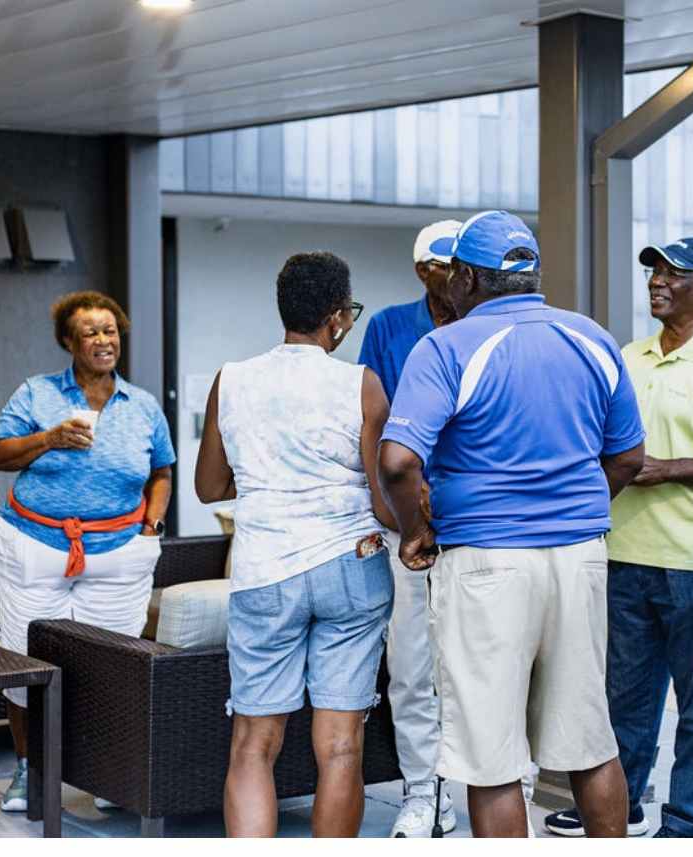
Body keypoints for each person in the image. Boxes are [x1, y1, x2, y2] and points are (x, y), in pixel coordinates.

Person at [377, 210, 646, 838]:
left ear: (467, 279)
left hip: (485, 562)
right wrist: (573, 509)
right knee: (591, 742)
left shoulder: (445, 346)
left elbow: (396, 461)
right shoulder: (591, 337)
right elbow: (629, 456)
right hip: (579, 556)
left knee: (491, 757)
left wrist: (415, 531)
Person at [544, 237, 693, 838]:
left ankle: (687, 820)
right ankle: (623, 804)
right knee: (625, 696)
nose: (657, 281)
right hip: (625, 551)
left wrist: (662, 469)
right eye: (654, 272)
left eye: (673, 273)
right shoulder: (627, 357)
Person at [195, 252, 396, 838]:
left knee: (253, 742)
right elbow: (384, 498)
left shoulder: (231, 380)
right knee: (341, 744)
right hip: (350, 565)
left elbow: (209, 487)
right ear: (337, 317)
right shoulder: (361, 384)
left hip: (265, 571)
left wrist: (266, 478)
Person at [0, 291, 174, 813]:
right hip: (35, 543)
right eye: (90, 332)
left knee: (113, 664)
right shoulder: (37, 393)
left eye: (110, 330)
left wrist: (152, 526)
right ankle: (29, 769)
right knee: (25, 658)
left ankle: (109, 774)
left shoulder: (143, 405)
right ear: (69, 341)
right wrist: (48, 439)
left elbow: (161, 471)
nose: (103, 340)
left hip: (118, 552)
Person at [358, 219, 463, 836]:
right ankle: (423, 792)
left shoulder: (488, 325)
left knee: (476, 665)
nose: (459, 275)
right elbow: (374, 425)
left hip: (478, 523)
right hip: (408, 525)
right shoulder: (390, 326)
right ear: (424, 270)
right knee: (411, 667)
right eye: (446, 264)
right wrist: (388, 507)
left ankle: (491, 784)